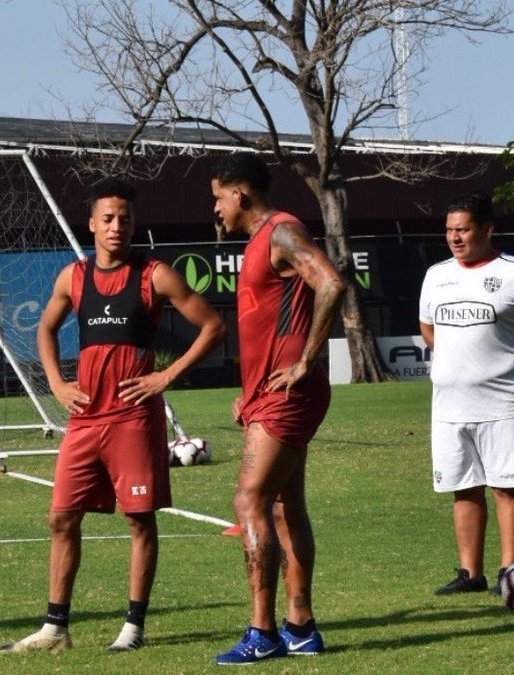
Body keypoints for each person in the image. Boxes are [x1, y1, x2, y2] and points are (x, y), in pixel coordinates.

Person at [0, 177, 224, 653]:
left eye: (125, 219)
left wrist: (166, 377)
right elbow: (45, 327)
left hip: (133, 419)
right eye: (108, 218)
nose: (116, 226)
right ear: (92, 224)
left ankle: (133, 628)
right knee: (61, 518)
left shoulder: (154, 275)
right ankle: (55, 629)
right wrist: (58, 384)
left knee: (140, 520)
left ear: (133, 223)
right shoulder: (73, 277)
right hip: (85, 420)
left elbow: (212, 326)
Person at [209, 153, 345, 664]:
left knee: (248, 502)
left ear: (240, 194)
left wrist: (305, 362)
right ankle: (300, 626)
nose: (216, 209)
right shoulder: (259, 242)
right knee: (286, 509)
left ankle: (262, 632)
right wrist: (249, 390)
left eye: (218, 197)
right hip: (270, 394)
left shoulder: (283, 231)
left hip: (288, 395)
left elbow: (331, 282)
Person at [418, 193, 514, 598]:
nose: (454, 238)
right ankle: (470, 573)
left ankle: (510, 574)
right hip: (447, 406)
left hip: (503, 401)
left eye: (463, 229)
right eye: (449, 230)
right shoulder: (436, 274)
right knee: (463, 488)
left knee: (506, 486)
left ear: (487, 229)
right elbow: (428, 326)